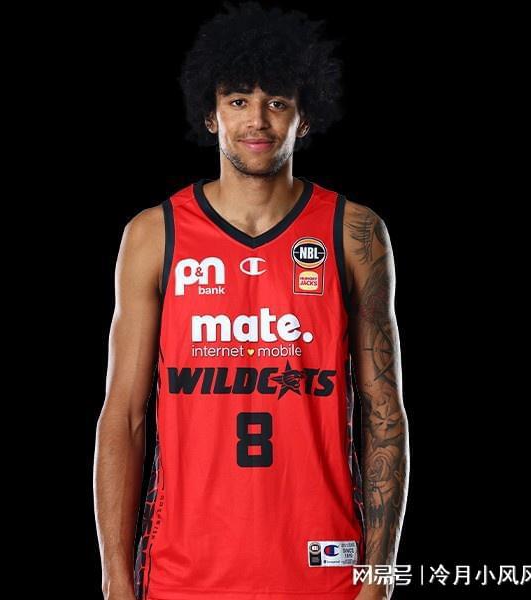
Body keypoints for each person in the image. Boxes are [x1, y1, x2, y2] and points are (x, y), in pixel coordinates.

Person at [94, 2, 409, 599]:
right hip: (183, 576)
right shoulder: (154, 234)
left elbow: (383, 412)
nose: (257, 121)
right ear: (210, 114)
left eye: (277, 102)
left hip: (325, 573)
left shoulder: (354, 232)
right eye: (238, 100)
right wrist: (114, 578)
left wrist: (377, 578)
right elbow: (125, 416)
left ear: (304, 117)